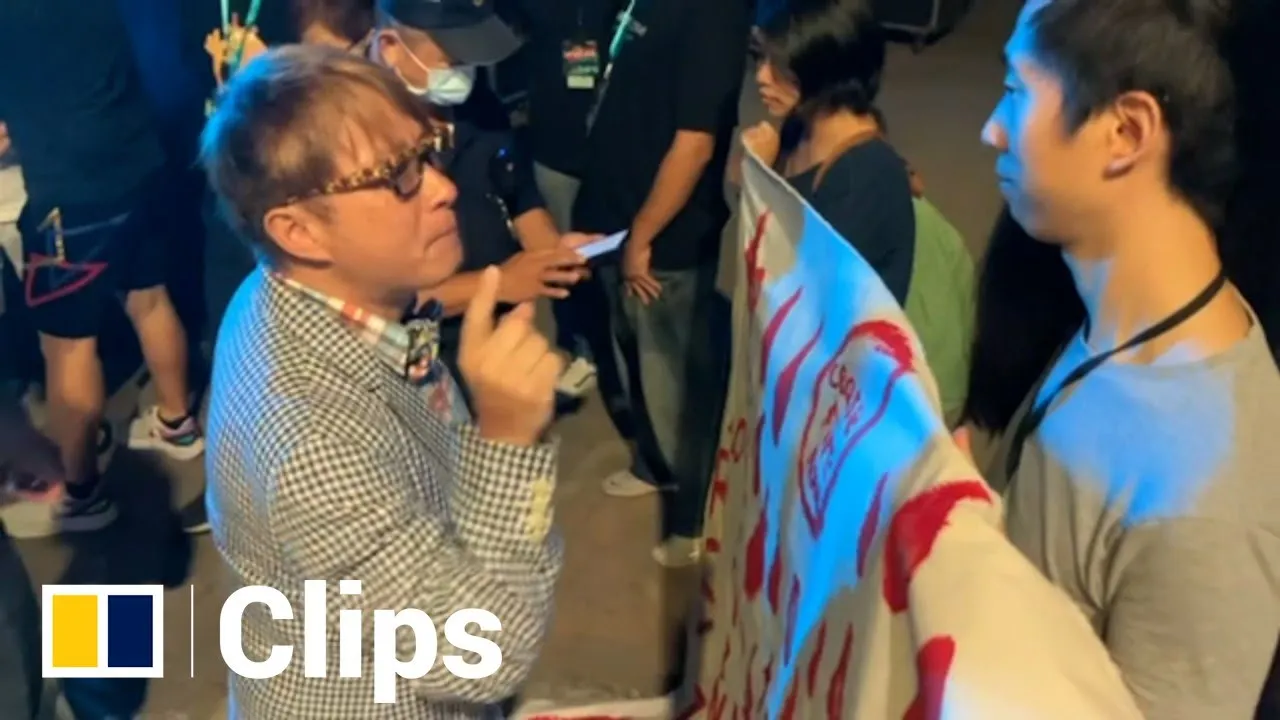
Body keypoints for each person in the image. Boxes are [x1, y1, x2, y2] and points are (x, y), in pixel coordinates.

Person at [202, 45, 565, 716]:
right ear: (299, 230)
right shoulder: (310, 443)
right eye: (398, 177)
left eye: (428, 153)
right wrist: (509, 440)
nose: (444, 187)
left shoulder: (282, 289)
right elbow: (479, 654)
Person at [969, 0, 1280, 715]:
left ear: (1126, 131)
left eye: (1016, 92)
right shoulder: (1110, 323)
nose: (991, 129)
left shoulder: (1204, 503)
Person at [0, 0, 204, 533]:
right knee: (150, 298)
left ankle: (81, 494)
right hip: (137, 163)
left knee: (68, 347)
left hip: (70, 194)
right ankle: (177, 424)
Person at [569, 0, 746, 566]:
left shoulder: (713, 16)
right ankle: (654, 465)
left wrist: (642, 237)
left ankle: (693, 516)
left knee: (675, 379)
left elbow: (696, 142)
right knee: (633, 358)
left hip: (664, 238)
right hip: (614, 218)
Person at [370, 0, 594, 409]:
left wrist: (552, 251)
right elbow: (377, 295)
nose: (466, 71)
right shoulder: (350, 141)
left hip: (499, 330)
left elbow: (518, 191)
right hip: (420, 352)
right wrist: (497, 283)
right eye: (453, 58)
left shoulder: (478, 104)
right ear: (391, 47)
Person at [747, 0, 914, 304]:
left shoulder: (865, 177)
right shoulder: (798, 125)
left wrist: (758, 179)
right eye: (762, 59)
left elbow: (804, 295)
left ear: (825, 72)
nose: (762, 76)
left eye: (781, 68)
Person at [509, 0, 620, 400]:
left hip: (614, 148)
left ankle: (622, 359)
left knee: (617, 260)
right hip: (553, 148)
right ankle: (583, 349)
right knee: (564, 261)